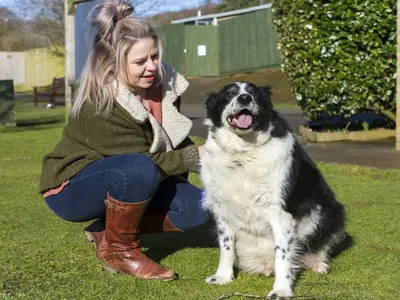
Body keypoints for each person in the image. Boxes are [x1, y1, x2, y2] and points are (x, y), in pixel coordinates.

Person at [39, 0, 208, 281]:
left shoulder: (163, 86)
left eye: (154, 56)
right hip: (72, 189)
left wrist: (217, 160)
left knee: (199, 208)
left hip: (133, 175)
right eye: (140, 62)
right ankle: (119, 251)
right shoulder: (99, 106)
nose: (152, 67)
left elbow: (171, 137)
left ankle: (104, 231)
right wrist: (194, 157)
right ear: (112, 63)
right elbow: (148, 162)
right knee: (137, 169)